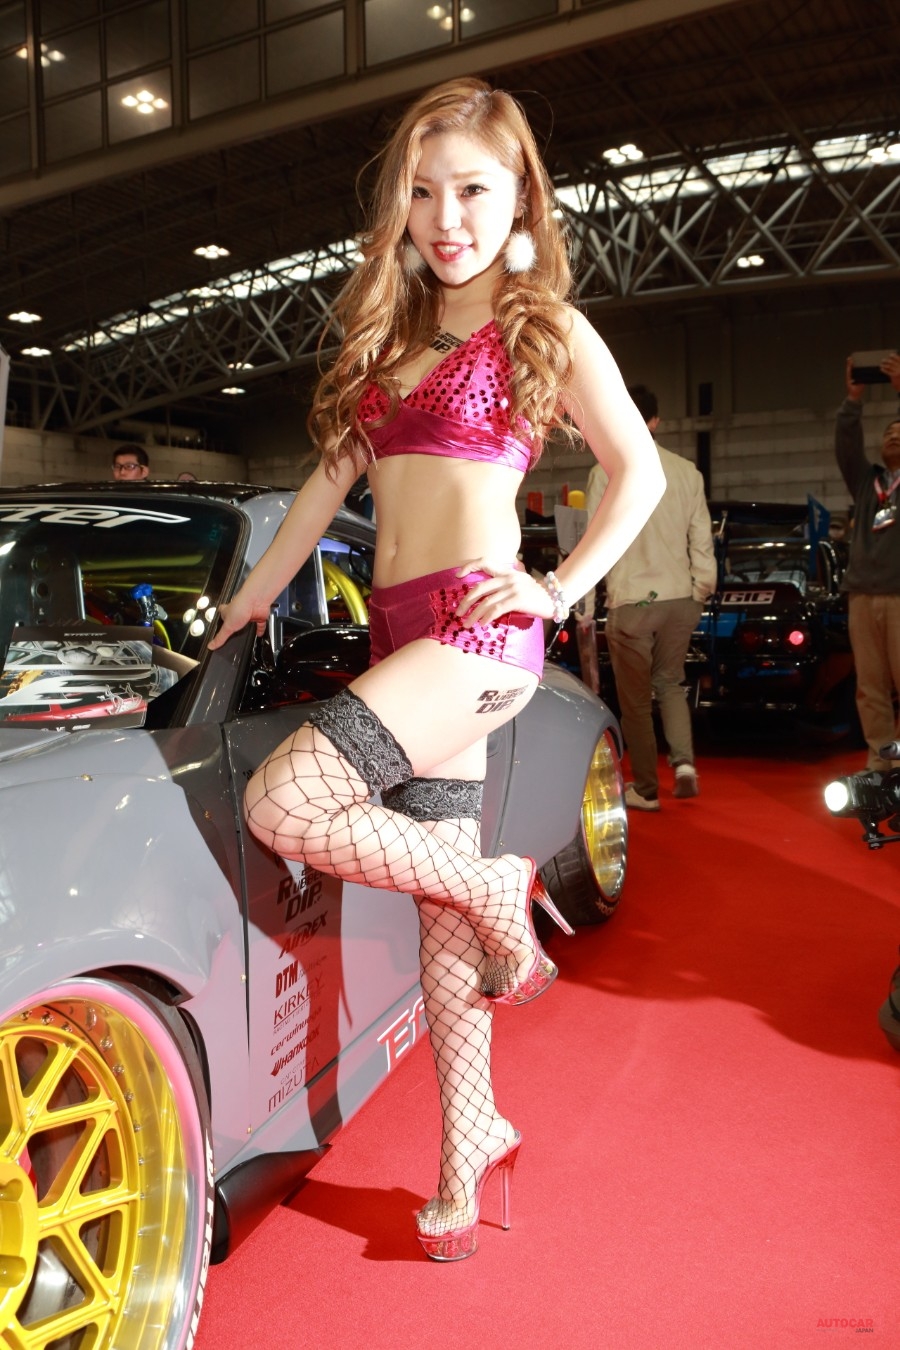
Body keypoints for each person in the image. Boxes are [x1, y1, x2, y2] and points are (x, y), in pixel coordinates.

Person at [208, 77, 664, 1261]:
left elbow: (642, 473)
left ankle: (501, 883)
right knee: (440, 923)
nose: (445, 217)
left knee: (286, 803)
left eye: (471, 190)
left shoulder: (543, 328)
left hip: (476, 632)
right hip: (395, 634)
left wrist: (559, 588)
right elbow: (326, 483)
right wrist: (253, 594)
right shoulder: (393, 338)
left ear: (520, 199)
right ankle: (473, 1144)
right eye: (422, 192)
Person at [585, 385, 716, 810]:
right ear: (656, 421)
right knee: (671, 683)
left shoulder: (605, 472)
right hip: (681, 598)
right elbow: (701, 539)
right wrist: (702, 588)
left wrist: (584, 600)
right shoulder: (687, 472)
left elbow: (595, 541)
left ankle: (645, 789)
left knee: (636, 702)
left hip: (632, 602)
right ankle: (685, 765)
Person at [836, 353, 900, 770]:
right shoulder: (867, 481)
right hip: (861, 594)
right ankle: (881, 760)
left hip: (899, 593)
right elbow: (846, 448)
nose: (894, 436)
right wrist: (853, 400)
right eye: (889, 432)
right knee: (870, 686)